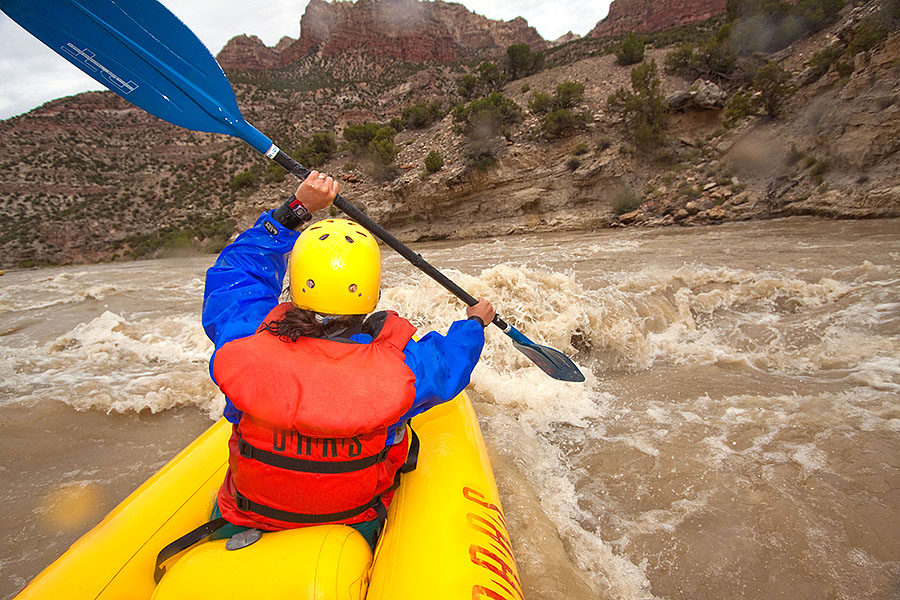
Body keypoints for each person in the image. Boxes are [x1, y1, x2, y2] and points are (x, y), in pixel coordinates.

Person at [201, 170, 495, 549]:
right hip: (352, 526)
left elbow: (235, 274)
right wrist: (474, 323)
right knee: (400, 430)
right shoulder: (404, 366)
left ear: (296, 278)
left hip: (248, 514)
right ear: (372, 290)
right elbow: (450, 362)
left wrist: (296, 209)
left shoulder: (242, 338)